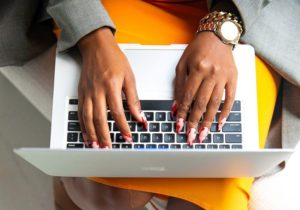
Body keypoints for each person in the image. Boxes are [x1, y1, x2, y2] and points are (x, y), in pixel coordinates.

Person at [1, 0, 299, 209]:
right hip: (112, 8)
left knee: (208, 199)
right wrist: (92, 37)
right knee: (107, 192)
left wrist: (222, 28)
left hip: (236, 14)